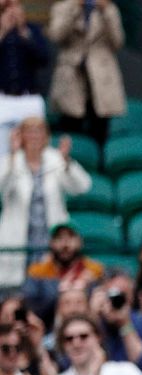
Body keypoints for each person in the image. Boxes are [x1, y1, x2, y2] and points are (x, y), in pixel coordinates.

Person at [0, 117, 91, 287]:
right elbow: (2, 187)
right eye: (29, 131)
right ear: (20, 136)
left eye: (39, 131)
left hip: (51, 240)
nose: (34, 136)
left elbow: (82, 187)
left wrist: (66, 162)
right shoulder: (9, 161)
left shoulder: (56, 159)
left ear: (46, 136)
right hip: (19, 240)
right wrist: (12, 159)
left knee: (53, 288)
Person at [47, 0, 126, 147]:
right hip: (72, 77)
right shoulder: (63, 7)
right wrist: (74, 9)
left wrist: (107, 12)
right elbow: (56, 36)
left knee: (100, 131)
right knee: (71, 129)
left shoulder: (109, 9)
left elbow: (118, 42)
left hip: (101, 79)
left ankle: (97, 165)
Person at [23, 221, 105, 322]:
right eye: (59, 238)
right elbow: (31, 307)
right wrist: (58, 289)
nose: (65, 244)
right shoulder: (37, 271)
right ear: (51, 243)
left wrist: (88, 287)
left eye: (70, 237)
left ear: (80, 242)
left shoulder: (94, 269)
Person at [0, 1, 49, 155]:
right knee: (2, 153)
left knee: (34, 152)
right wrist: (3, 30)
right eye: (6, 9)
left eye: (14, 7)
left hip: (29, 98)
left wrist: (23, 30)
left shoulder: (32, 29)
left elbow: (44, 58)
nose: (11, 12)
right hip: (3, 99)